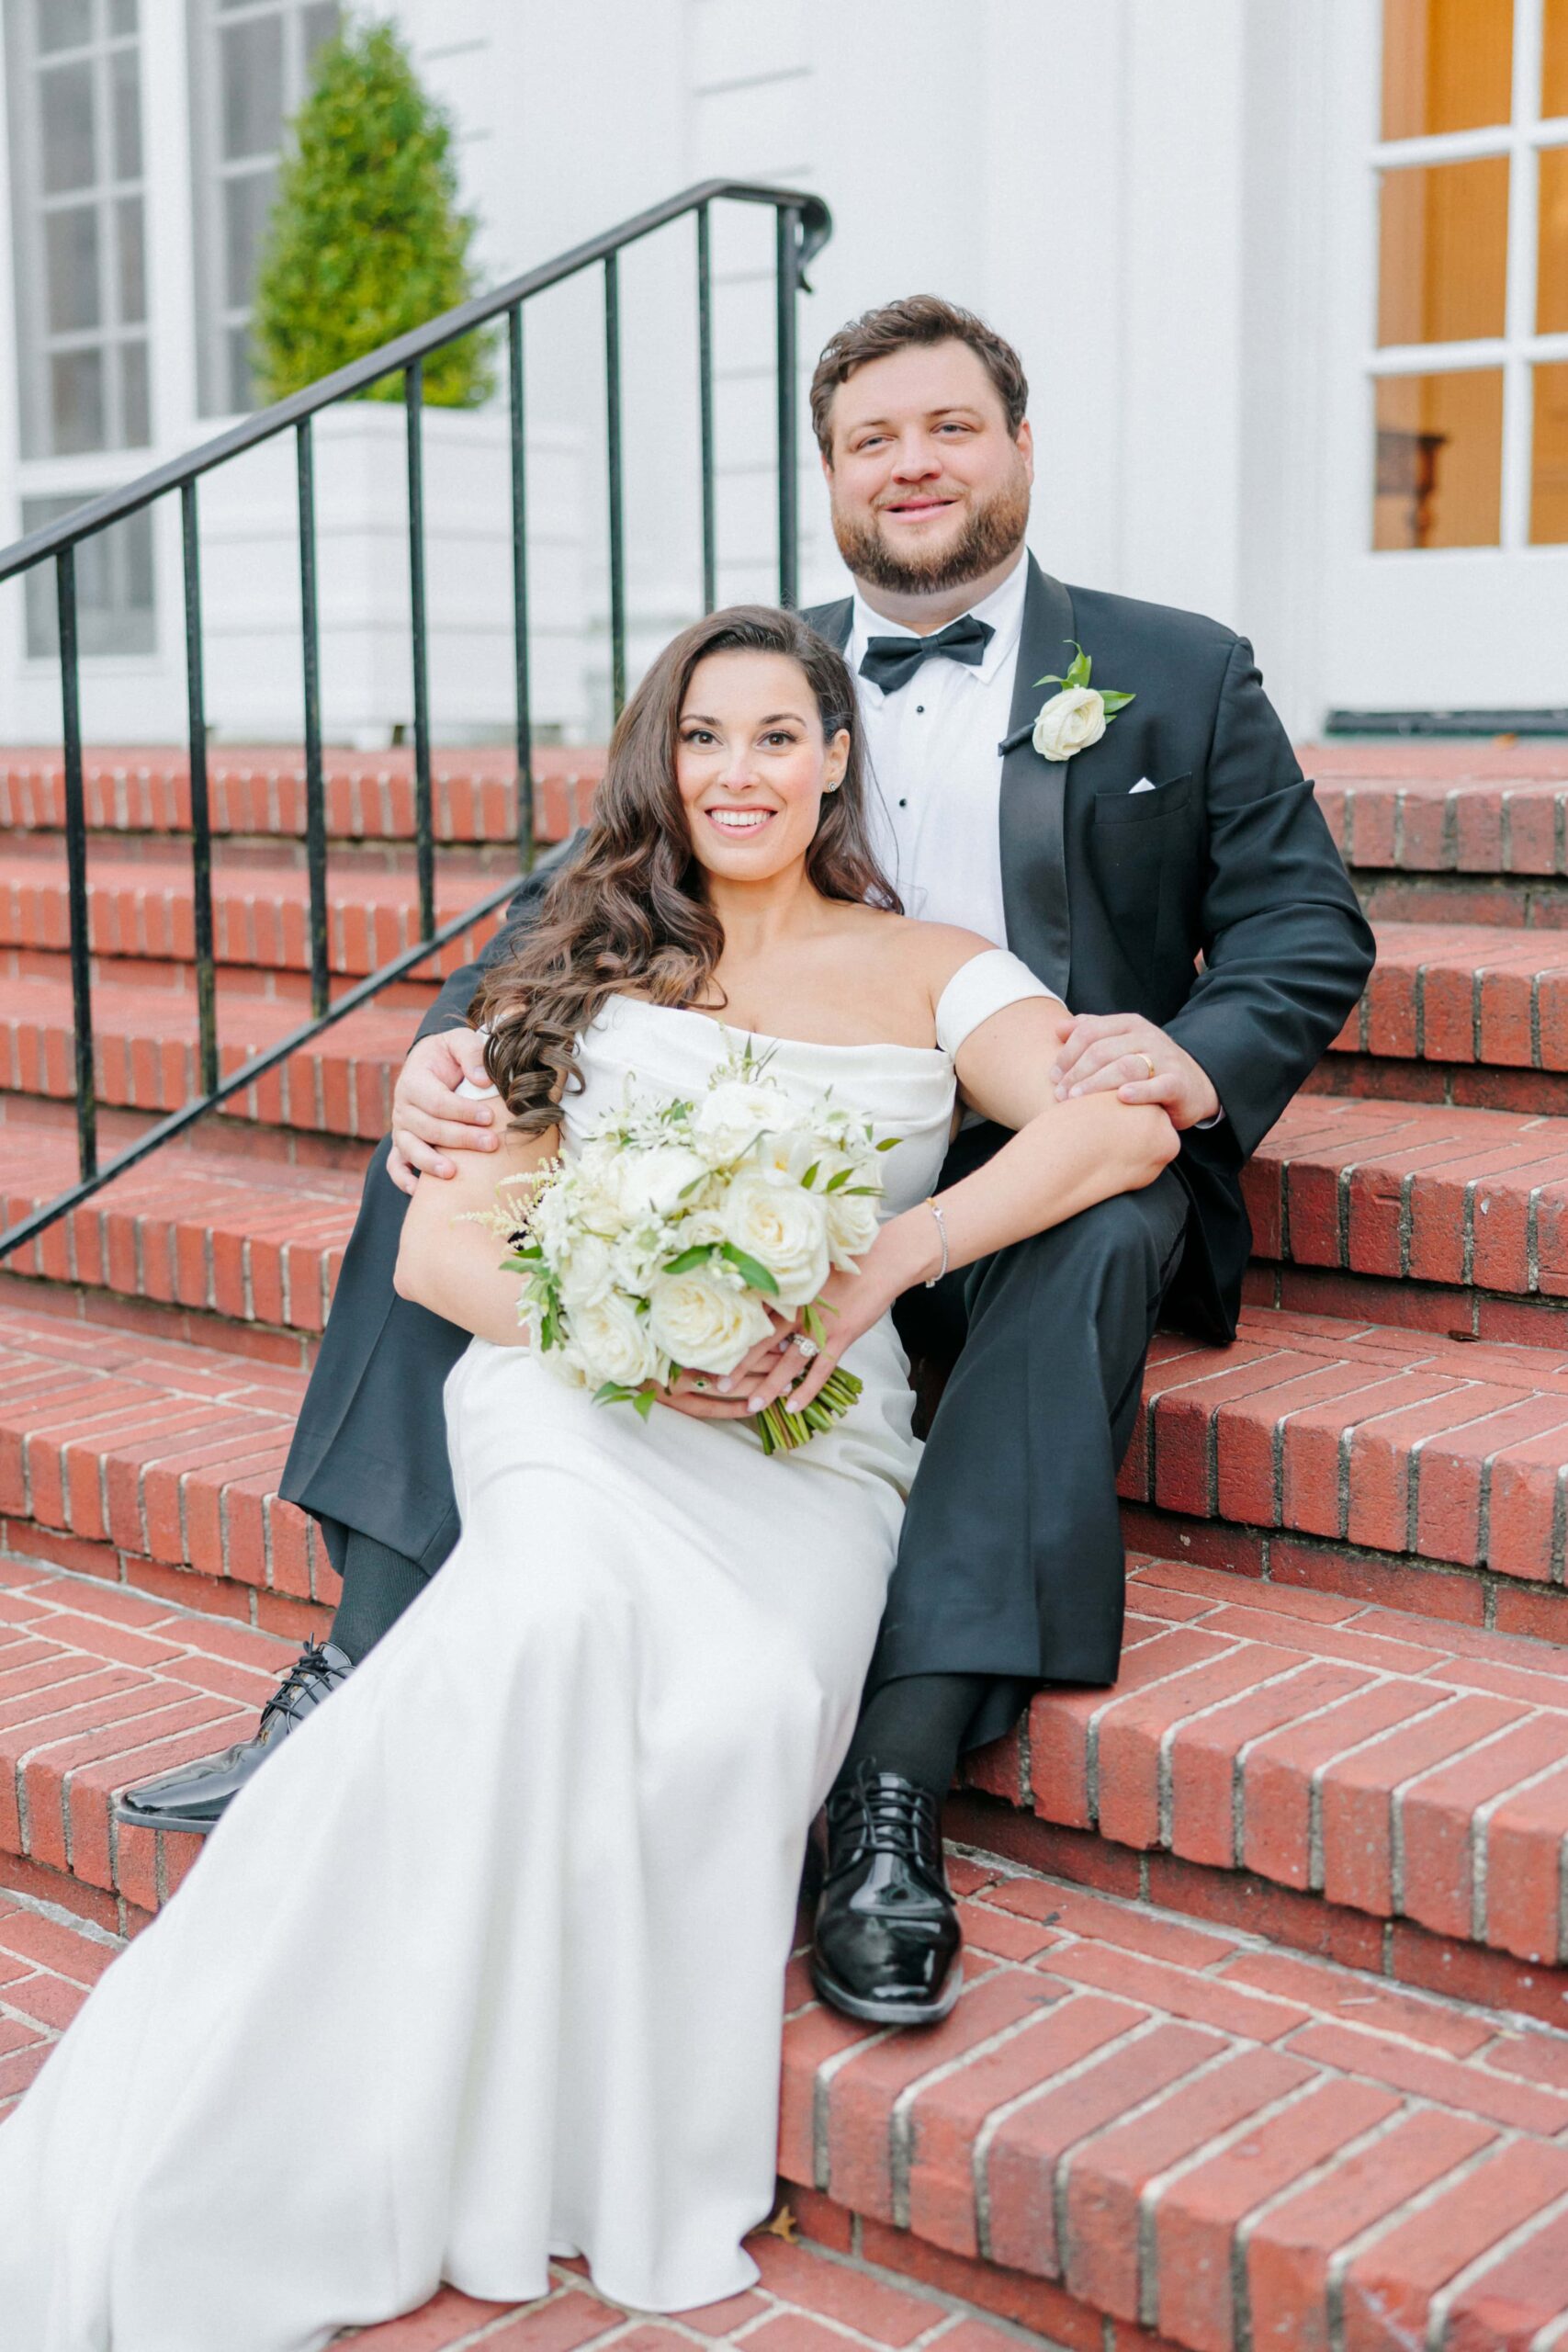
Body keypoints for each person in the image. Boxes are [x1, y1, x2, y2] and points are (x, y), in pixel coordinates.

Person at [118, 296, 1375, 2029]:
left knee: (1113, 1213)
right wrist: (449, 1049)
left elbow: (1306, 926)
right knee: (477, 1128)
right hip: (751, 1135)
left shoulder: (1173, 666)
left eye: (947, 428)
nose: (912, 465)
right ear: (833, 475)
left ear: (1018, 446)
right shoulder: (760, 678)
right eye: (872, 440)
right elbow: (573, 912)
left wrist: (1189, 1057)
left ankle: (894, 1787)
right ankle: (359, 1658)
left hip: (1027, 1144)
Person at [0, 607, 1176, 2346]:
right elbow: (443, 1256)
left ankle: (545, 2107)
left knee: (742, 1710)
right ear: (664, 765)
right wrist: (632, 1340)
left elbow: (1123, 1127)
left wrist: (877, 1268)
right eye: (705, 740)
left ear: (836, 758)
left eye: (779, 736)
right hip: (575, 1405)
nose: (740, 773)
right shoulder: (598, 957)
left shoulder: (939, 965)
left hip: (811, 1436)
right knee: (543, 1615)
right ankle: (278, 2093)